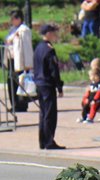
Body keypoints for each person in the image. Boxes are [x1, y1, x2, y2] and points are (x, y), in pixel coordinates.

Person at [33, 22, 64, 150]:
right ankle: (49, 141)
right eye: (54, 33)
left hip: (39, 83)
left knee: (43, 113)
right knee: (50, 114)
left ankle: (43, 141)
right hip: (47, 84)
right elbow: (54, 70)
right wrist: (59, 87)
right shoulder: (49, 50)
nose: (55, 35)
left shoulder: (38, 48)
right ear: (49, 34)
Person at [5, 8, 33, 113]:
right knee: (11, 82)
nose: (12, 21)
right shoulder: (12, 30)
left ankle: (21, 105)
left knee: (20, 81)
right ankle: (14, 104)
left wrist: (28, 63)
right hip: (11, 59)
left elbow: (27, 48)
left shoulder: (24, 30)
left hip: (20, 61)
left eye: (14, 19)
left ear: (19, 19)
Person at [78, 58, 100, 123]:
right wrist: (85, 98)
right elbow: (89, 91)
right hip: (92, 96)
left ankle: (90, 118)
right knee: (85, 104)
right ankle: (85, 117)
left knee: (93, 105)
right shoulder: (93, 82)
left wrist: (95, 99)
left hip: (98, 97)